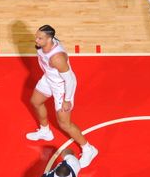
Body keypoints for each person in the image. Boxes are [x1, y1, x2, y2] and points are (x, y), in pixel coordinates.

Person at [25, 25, 97, 168]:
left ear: (50, 39)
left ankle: (89, 149)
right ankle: (45, 131)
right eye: (37, 36)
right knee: (35, 101)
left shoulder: (57, 58)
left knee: (64, 124)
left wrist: (67, 99)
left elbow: (71, 80)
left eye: (40, 38)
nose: (36, 40)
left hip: (61, 87)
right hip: (49, 79)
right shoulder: (44, 45)